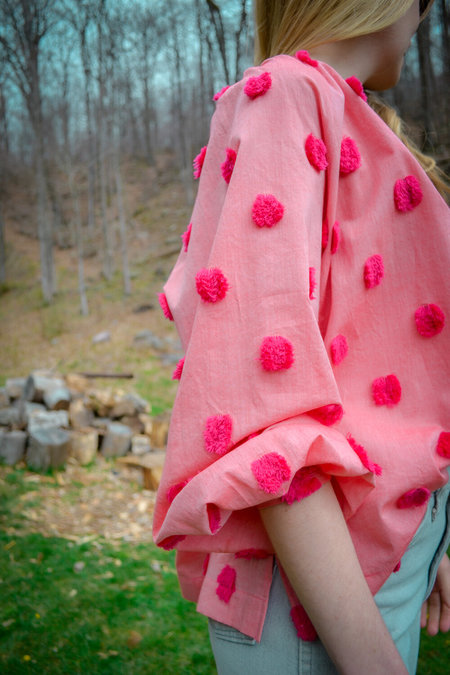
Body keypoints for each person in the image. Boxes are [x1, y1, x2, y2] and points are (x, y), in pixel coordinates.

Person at [153, 1, 450, 673]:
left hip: (368, 561)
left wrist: (421, 529)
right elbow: (264, 417)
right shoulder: (287, 94)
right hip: (319, 601)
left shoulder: (350, 117)